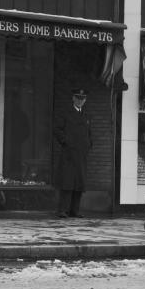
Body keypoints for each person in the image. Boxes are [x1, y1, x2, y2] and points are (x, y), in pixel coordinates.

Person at [54, 87, 92, 218]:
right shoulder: (66, 113)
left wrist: (88, 145)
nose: (80, 101)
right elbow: (58, 130)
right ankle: (63, 210)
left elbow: (89, 133)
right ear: (73, 98)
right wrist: (66, 142)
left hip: (81, 154)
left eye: (83, 99)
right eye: (78, 98)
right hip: (69, 154)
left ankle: (75, 210)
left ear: (85, 100)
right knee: (67, 182)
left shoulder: (86, 115)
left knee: (79, 183)